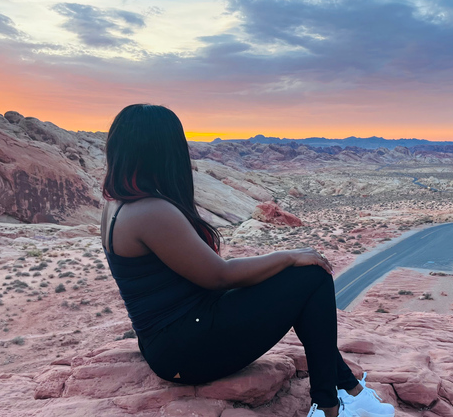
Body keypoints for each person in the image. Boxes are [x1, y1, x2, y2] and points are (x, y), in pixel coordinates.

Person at [100, 104, 395, 417]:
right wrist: (289, 256)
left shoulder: (118, 205)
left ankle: (348, 387)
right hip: (186, 352)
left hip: (171, 342)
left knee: (295, 282)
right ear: (165, 151)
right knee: (311, 276)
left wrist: (278, 268)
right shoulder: (150, 211)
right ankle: (329, 406)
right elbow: (220, 276)